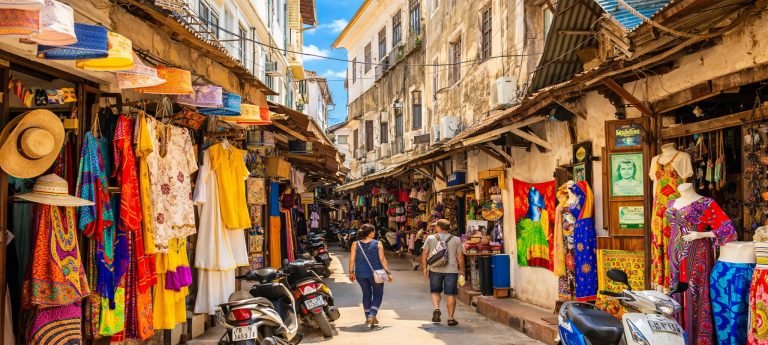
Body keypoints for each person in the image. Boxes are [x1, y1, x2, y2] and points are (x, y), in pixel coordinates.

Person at [421, 219, 465, 326]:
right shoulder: (456, 239)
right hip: (451, 270)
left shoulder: (430, 238)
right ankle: (450, 318)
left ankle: (436, 309)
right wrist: (462, 271)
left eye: (436, 226)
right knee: (451, 294)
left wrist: (425, 268)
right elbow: (460, 257)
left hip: (434, 269)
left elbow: (424, 254)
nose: (435, 228)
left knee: (435, 291)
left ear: (439, 227)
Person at [349, 223, 392, 328]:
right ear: (370, 232)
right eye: (373, 231)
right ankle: (372, 314)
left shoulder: (355, 244)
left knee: (366, 294)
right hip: (376, 273)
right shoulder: (378, 243)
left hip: (360, 273)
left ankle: (368, 316)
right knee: (378, 294)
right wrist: (388, 272)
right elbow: (382, 259)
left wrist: (351, 272)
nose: (375, 233)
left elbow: (352, 260)